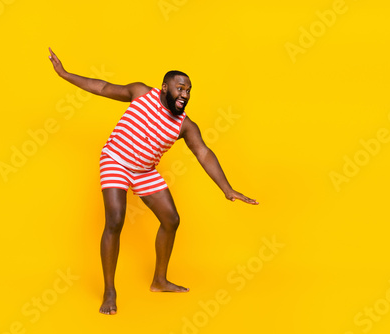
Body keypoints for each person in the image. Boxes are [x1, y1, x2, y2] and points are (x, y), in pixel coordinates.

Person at [48, 48, 258, 315]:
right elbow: (101, 87)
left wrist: (227, 189)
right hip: (116, 160)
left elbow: (203, 152)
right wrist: (65, 74)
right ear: (164, 87)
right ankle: (109, 290)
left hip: (144, 171)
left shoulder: (184, 125)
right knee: (115, 218)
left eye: (189, 90)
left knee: (171, 220)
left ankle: (159, 281)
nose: (185, 94)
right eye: (180, 88)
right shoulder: (140, 93)